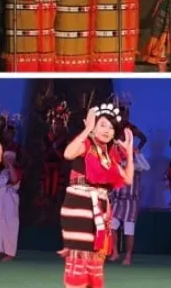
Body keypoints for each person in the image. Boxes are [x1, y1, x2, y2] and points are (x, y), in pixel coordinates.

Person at [58, 103, 134, 288]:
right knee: (80, 255)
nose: (107, 130)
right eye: (102, 125)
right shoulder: (86, 144)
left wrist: (129, 153)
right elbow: (68, 154)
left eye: (111, 127)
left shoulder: (110, 155)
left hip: (100, 209)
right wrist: (87, 130)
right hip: (79, 206)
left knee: (95, 257)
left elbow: (128, 179)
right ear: (93, 126)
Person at [109, 104, 148, 265]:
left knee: (129, 229)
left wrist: (136, 153)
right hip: (117, 199)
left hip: (131, 200)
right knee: (112, 226)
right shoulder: (115, 156)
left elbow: (145, 167)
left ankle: (128, 256)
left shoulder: (135, 158)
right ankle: (115, 252)